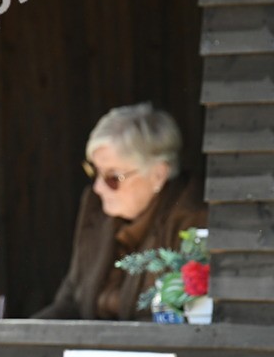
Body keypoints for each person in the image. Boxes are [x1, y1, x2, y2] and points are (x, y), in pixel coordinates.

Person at [32, 104, 206, 320]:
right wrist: (19, 333)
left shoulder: (190, 220)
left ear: (158, 174)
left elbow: (179, 320)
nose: (98, 187)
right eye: (94, 171)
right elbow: (71, 300)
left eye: (113, 177)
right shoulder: (96, 208)